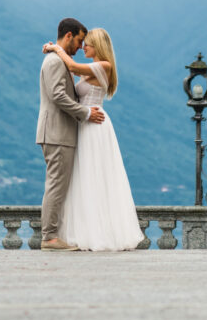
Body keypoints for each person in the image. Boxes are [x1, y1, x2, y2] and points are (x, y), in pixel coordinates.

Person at [43, 27, 144, 251]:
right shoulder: (92, 70)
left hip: (94, 123)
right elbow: (71, 72)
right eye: (81, 42)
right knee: (84, 177)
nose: (82, 47)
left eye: (86, 43)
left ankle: (99, 233)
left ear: (97, 45)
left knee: (95, 174)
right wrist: (57, 49)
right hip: (84, 123)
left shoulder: (104, 66)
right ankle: (86, 230)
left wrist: (55, 47)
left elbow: (71, 66)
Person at [36, 18, 105, 251]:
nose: (80, 46)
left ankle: (54, 234)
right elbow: (57, 95)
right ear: (68, 36)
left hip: (57, 132)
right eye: (78, 40)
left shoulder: (58, 59)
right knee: (56, 184)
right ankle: (49, 237)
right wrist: (85, 112)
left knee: (58, 184)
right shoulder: (55, 61)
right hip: (57, 132)